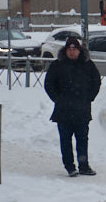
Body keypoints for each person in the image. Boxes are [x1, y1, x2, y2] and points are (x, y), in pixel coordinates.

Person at [44, 35, 102, 177]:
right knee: (65, 140)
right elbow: (49, 84)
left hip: (82, 110)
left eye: (74, 49)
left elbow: (96, 82)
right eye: (69, 49)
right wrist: (58, 99)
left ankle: (84, 165)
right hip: (63, 111)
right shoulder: (57, 65)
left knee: (82, 139)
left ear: (79, 50)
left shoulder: (88, 65)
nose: (72, 52)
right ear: (65, 50)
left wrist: (89, 98)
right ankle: (70, 166)